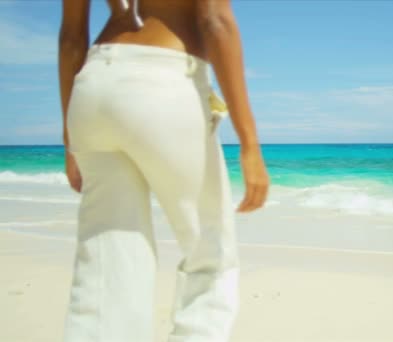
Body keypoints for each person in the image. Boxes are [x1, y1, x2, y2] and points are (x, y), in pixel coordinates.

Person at [58, 0, 270, 341]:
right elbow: (214, 20)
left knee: (108, 261)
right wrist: (249, 143)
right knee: (210, 259)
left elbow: (71, 37)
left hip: (93, 85)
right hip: (162, 79)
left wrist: (71, 139)